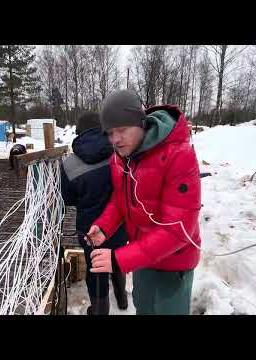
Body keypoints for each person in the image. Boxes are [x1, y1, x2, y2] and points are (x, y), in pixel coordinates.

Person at [86, 90, 202, 315]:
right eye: (110, 133)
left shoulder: (179, 154)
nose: (115, 140)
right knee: (144, 308)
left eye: (121, 130)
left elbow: (178, 230)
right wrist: (103, 226)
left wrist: (119, 260)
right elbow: (120, 201)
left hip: (174, 262)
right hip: (141, 257)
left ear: (141, 124)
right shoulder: (120, 158)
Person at [61, 112, 128, 315]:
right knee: (118, 259)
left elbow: (68, 198)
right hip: (118, 226)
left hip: (90, 230)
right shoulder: (119, 151)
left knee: (97, 271)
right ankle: (122, 299)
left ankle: (99, 310)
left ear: (79, 133)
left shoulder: (69, 163)